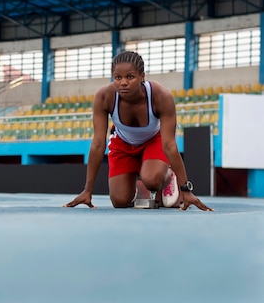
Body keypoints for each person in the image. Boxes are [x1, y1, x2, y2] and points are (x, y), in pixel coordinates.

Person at [64, 51, 213, 211]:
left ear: (142, 76)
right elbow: (98, 144)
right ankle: (139, 188)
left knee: (152, 180)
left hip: (154, 140)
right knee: (119, 201)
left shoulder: (161, 96)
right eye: (118, 77)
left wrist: (186, 189)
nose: (123, 83)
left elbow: (169, 144)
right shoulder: (104, 97)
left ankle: (169, 177)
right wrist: (88, 189)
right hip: (122, 143)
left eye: (130, 77)